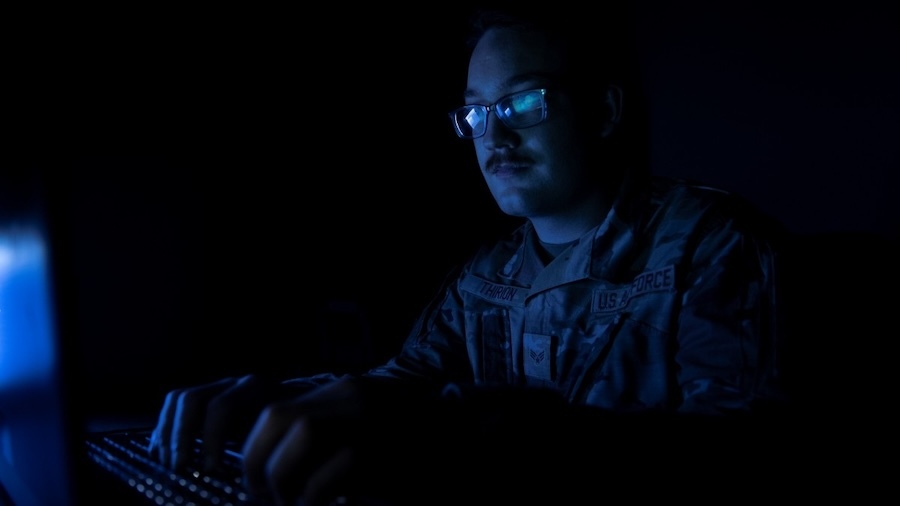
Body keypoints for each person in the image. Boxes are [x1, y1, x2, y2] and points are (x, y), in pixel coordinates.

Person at [149, 3, 793, 505]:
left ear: (603, 110)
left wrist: (476, 432)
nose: (495, 134)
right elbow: (401, 387)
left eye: (522, 101)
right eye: (477, 113)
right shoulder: (487, 274)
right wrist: (275, 401)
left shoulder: (711, 243)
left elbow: (734, 457)